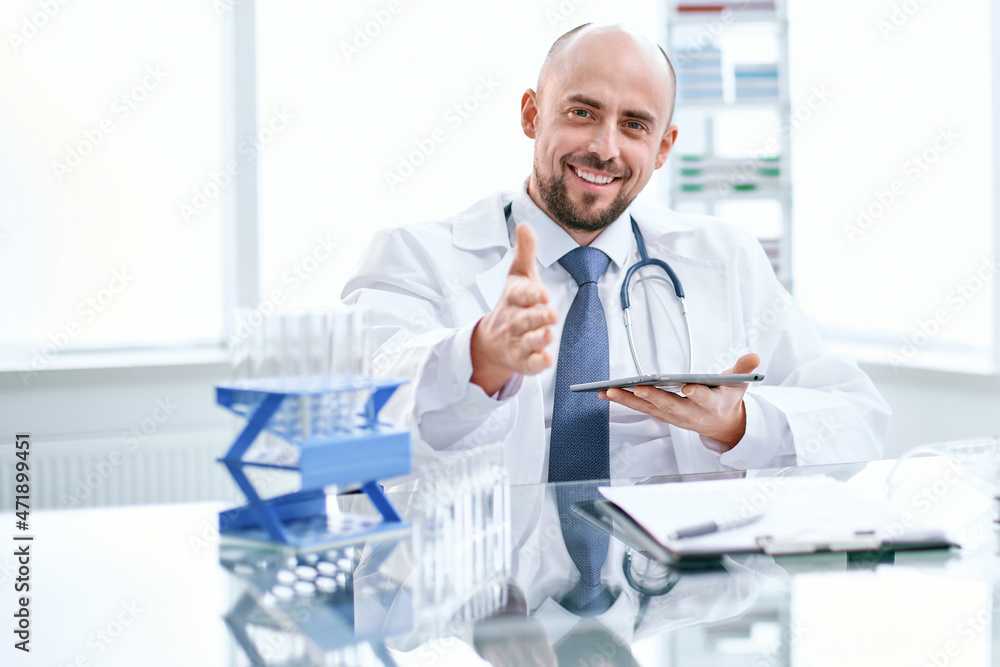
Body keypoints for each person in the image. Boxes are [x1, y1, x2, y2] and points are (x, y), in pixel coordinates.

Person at [342, 24, 890, 486]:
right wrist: (479, 356)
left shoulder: (724, 260)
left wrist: (738, 423)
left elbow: (859, 419)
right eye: (582, 112)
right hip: (486, 593)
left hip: (672, 599)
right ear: (532, 115)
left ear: (664, 148)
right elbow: (355, 418)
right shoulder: (416, 256)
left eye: (634, 125)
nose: (605, 148)